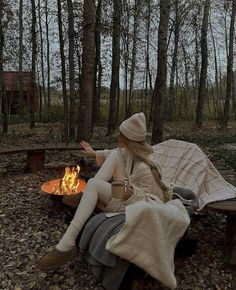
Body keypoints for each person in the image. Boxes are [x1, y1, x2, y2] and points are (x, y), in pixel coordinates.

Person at [39, 112, 173, 271]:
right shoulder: (126, 152)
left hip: (130, 204)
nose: (118, 138)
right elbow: (112, 153)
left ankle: (67, 243)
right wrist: (93, 153)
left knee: (94, 184)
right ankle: (88, 194)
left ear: (128, 139)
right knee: (115, 155)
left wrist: (133, 195)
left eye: (121, 135)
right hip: (122, 195)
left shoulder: (145, 168)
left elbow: (153, 203)